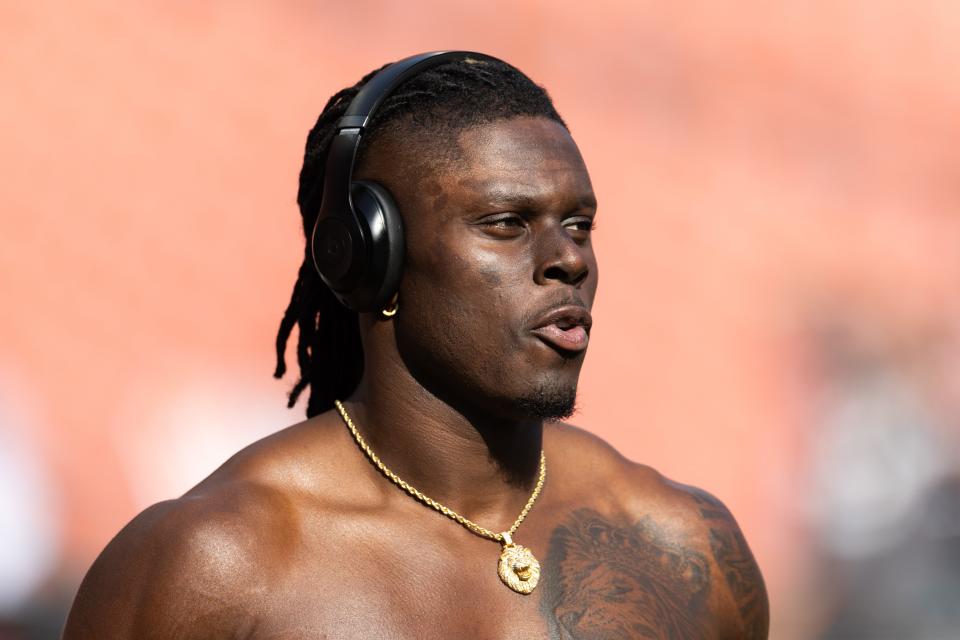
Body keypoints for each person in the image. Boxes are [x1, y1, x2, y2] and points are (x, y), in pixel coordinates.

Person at [63, 52, 768, 639]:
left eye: (578, 225)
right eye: (506, 222)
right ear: (374, 257)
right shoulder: (216, 565)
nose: (568, 260)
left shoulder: (681, 543)